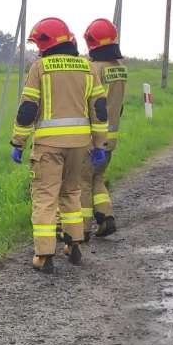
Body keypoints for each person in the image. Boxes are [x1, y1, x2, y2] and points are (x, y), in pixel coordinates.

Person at [10, 17, 109, 274]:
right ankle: (73, 244)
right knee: (72, 192)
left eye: (38, 44)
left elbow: (28, 108)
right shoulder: (87, 67)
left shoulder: (40, 68)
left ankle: (43, 255)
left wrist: (18, 142)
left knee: (45, 198)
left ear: (46, 42)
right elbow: (99, 110)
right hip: (80, 146)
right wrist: (99, 144)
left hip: (48, 147)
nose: (37, 49)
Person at [82, 18, 127, 237]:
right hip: (112, 137)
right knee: (97, 178)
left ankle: (79, 232)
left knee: (83, 182)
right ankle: (105, 218)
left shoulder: (94, 69)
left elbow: (89, 104)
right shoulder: (120, 68)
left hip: (94, 138)